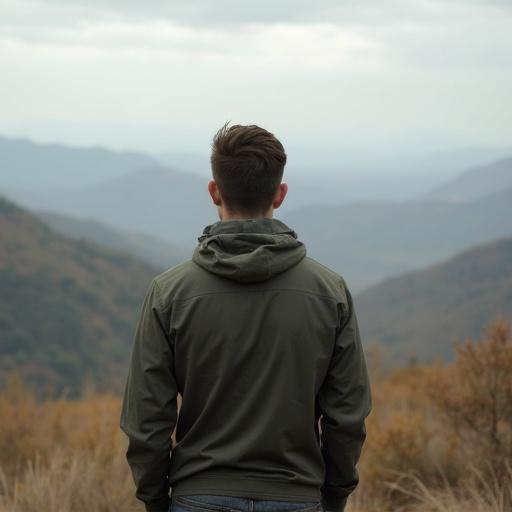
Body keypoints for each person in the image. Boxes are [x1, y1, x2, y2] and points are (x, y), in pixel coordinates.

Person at [120, 123, 372, 512]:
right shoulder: (329, 292)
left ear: (214, 191)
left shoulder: (168, 293)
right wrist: (333, 496)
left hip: (197, 496)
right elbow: (347, 417)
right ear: (281, 194)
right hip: (298, 497)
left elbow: (146, 419)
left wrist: (156, 499)